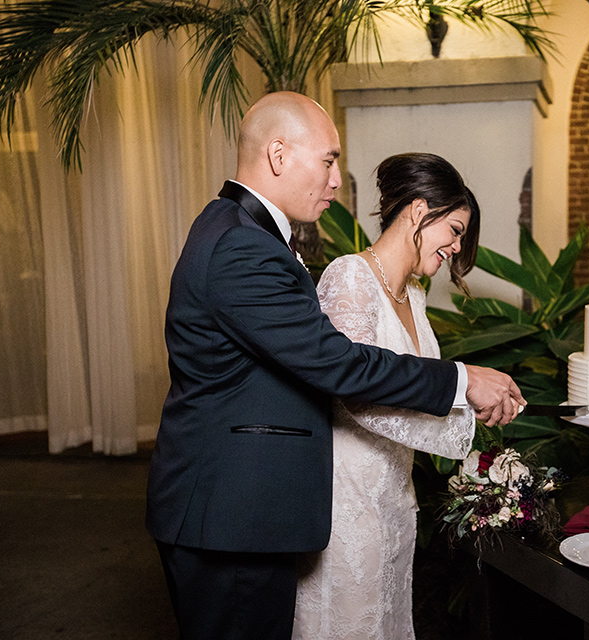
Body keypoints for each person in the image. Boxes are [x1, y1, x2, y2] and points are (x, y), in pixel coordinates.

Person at [145, 92, 524, 640]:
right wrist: (464, 382)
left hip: (248, 509)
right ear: (278, 155)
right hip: (229, 513)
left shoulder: (245, 233)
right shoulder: (240, 245)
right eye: (327, 161)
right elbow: (336, 364)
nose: (336, 181)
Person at [293, 153, 482, 638]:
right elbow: (355, 397)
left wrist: (467, 402)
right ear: (419, 211)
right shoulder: (350, 276)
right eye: (455, 230)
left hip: (396, 500)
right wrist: (467, 406)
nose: (456, 249)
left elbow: (415, 389)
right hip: (347, 507)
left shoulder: (414, 296)